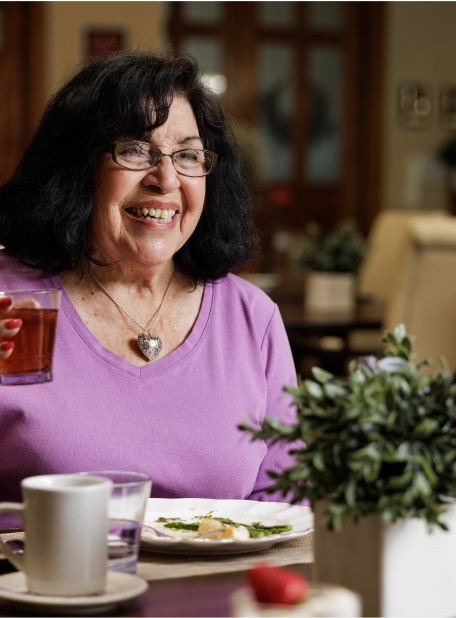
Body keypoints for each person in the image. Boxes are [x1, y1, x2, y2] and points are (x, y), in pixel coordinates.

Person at [0, 52, 298, 528]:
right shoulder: (11, 298)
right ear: (79, 167)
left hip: (214, 594)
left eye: (187, 155)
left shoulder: (250, 317)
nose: (166, 180)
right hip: (42, 591)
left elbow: (287, 502)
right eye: (136, 150)